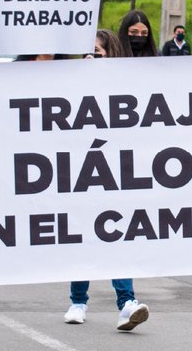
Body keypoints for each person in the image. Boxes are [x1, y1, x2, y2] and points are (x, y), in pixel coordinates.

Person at [63, 28, 150, 331]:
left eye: (97, 53)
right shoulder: (70, 84)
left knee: (116, 236)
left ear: (110, 54)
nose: (91, 58)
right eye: (87, 53)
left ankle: (126, 303)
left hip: (115, 174)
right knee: (83, 237)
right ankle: (77, 301)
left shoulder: (124, 86)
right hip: (82, 173)